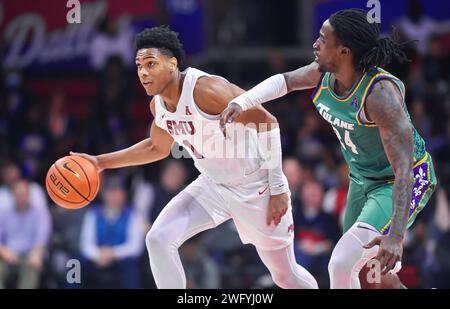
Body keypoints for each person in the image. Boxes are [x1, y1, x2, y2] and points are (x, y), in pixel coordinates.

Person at [71, 25, 318, 289]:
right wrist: (100, 162)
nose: (143, 72)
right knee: (158, 238)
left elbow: (267, 122)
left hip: (256, 186)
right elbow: (157, 148)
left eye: (151, 63)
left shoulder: (206, 90)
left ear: (172, 63)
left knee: (285, 276)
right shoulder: (158, 105)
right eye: (139, 65)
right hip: (213, 185)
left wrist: (278, 188)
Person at [220, 8, 437, 289]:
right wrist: (243, 101)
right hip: (363, 180)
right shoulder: (323, 75)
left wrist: (396, 235)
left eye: (323, 39)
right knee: (370, 274)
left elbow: (404, 169)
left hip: (400, 180)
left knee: (341, 263)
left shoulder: (380, 96)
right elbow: (284, 81)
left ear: (344, 52)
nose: (315, 43)